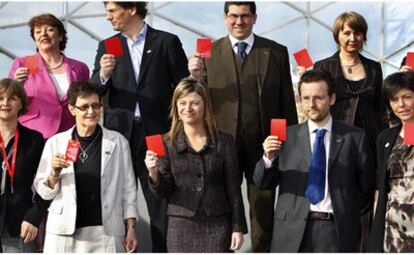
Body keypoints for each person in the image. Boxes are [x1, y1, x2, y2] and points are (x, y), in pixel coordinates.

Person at [187, 2, 298, 251]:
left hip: (265, 145)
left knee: (263, 211)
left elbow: (286, 102)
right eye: (234, 16)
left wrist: (288, 142)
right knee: (221, 206)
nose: (239, 22)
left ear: (255, 18)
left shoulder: (276, 51)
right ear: (225, 18)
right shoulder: (208, 53)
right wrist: (194, 76)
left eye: (245, 16)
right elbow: (197, 97)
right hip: (221, 144)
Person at [90, 2, 189, 251]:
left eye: (112, 10)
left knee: (159, 202)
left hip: (156, 134)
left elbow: (183, 89)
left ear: (132, 8)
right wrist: (102, 74)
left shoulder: (167, 42)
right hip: (120, 135)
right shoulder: (109, 45)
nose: (107, 16)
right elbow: (93, 91)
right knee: (112, 200)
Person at [254, 70, 375, 252]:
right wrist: (268, 158)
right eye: (306, 98)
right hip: (290, 230)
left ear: (332, 99)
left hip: (336, 231)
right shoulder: (285, 136)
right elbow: (262, 182)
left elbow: (365, 187)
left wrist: (345, 210)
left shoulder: (355, 137)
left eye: (319, 98)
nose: (311, 104)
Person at [302, 11, 387, 250]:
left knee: (365, 201)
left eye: (357, 32)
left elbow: (380, 109)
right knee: (338, 198)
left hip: (369, 143)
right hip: (337, 142)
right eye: (346, 32)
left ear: (364, 36)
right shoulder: (324, 66)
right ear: (337, 35)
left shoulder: (373, 68)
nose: (352, 38)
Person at [144, 77, 247, 252]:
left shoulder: (224, 141)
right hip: (181, 226)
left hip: (218, 225)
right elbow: (164, 191)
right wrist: (153, 173)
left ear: (205, 105)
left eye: (195, 103)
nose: (188, 108)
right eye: (182, 103)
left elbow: (234, 189)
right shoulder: (165, 143)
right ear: (176, 106)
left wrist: (237, 227)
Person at [33, 81, 138, 253]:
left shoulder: (118, 142)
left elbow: (129, 189)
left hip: (107, 234)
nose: (91, 112)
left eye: (96, 106)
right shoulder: (56, 142)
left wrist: (131, 226)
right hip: (63, 233)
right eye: (84, 107)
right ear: (72, 109)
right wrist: (54, 173)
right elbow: (44, 192)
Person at [9, 13, 89, 139]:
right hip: (34, 134)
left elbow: (87, 99)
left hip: (71, 133)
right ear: (35, 39)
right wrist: (17, 84)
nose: (43, 34)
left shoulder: (80, 68)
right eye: (38, 32)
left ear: (61, 36)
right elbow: (9, 99)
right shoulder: (23, 63)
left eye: (49, 29)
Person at [368, 72, 414, 252]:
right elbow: (380, 187)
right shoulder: (385, 138)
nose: (401, 104)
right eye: (394, 99)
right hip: (393, 229)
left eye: (407, 97)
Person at [0, 78, 48, 252]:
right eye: (1, 98)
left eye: (12, 98)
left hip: (21, 225)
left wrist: (34, 216)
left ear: (21, 104)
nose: (5, 103)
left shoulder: (34, 140)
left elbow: (47, 183)